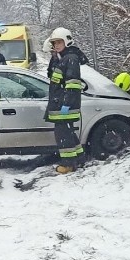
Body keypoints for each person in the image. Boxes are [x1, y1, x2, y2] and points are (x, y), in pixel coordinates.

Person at [45, 27, 87, 173]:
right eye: (54, 43)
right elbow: (52, 76)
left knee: (62, 134)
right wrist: (54, 58)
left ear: (67, 42)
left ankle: (68, 164)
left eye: (59, 42)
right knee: (67, 133)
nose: (56, 45)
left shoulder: (71, 59)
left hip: (65, 105)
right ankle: (80, 159)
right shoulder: (62, 59)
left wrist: (66, 104)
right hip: (61, 103)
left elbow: (72, 84)